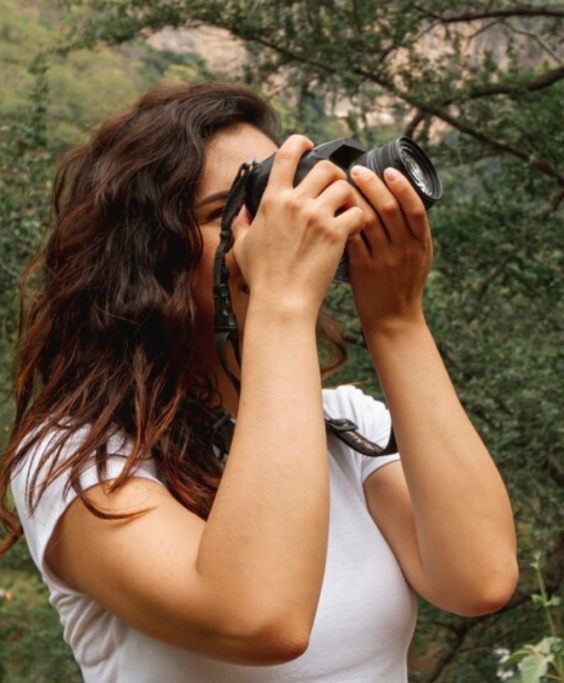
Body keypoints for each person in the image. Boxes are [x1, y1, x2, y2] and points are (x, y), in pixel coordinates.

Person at [0, 81, 518, 682]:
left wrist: (397, 321)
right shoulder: (76, 458)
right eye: (228, 211)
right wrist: (283, 304)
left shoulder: (346, 425)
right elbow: (259, 617)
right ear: (145, 257)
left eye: (277, 197)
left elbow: (478, 578)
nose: (274, 228)